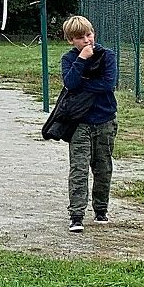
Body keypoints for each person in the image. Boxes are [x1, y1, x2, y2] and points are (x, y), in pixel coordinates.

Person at [61, 15, 118, 233]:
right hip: (79, 123)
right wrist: (82, 60)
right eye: (80, 37)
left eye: (89, 34)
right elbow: (70, 83)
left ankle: (101, 209)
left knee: (103, 167)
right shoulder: (69, 59)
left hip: (105, 119)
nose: (86, 40)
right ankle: (76, 215)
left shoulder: (107, 55)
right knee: (79, 168)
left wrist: (83, 84)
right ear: (71, 40)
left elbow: (108, 84)